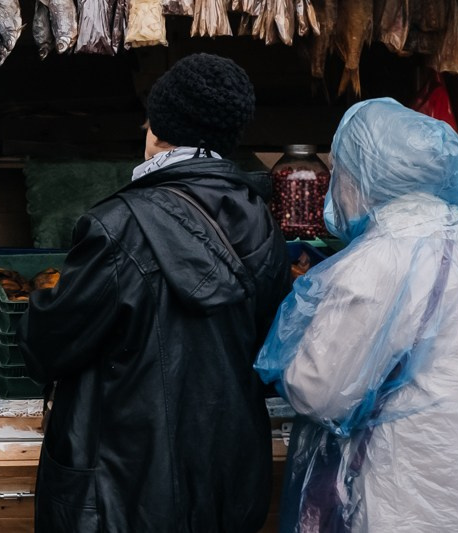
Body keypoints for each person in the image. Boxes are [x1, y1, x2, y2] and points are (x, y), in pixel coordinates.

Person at [257, 97, 458, 533]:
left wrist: (285, 355)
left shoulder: (379, 261)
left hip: (417, 501)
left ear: (360, 180)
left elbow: (318, 391)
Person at [18, 53, 291, 533]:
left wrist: (39, 308)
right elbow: (267, 346)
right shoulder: (263, 222)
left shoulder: (119, 225)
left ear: (158, 130)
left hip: (123, 486)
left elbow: (47, 347)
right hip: (228, 476)